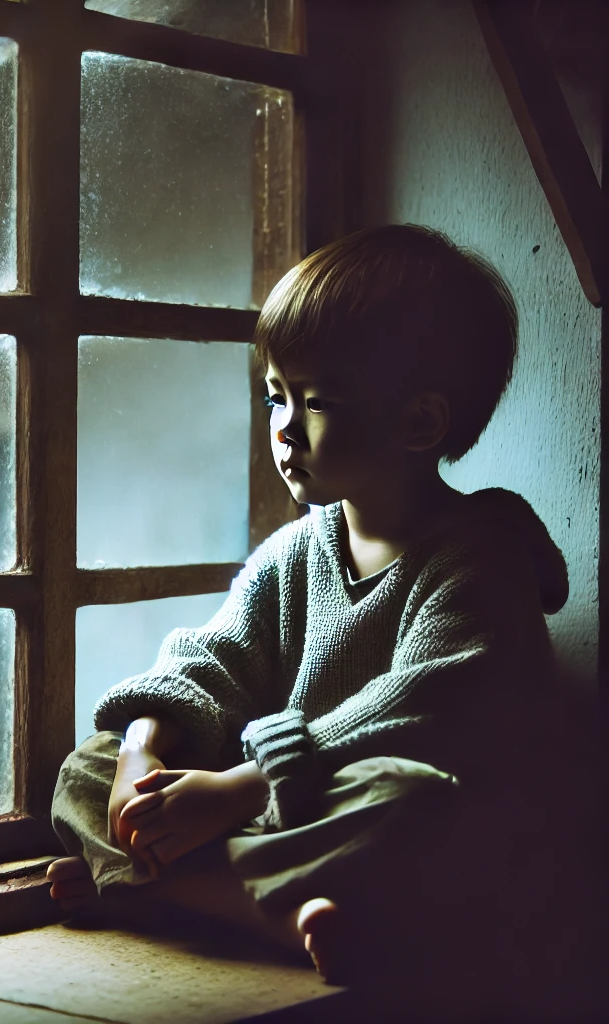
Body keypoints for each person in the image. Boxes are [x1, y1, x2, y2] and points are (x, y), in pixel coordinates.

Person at [46, 224, 570, 993]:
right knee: (86, 769)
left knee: (413, 801)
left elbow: (431, 706)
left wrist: (238, 790)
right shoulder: (298, 550)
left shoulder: (480, 558)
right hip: (274, 821)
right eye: (275, 395)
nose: (284, 429)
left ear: (421, 422)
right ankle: (256, 908)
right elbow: (210, 659)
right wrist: (141, 758)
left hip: (351, 808)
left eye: (315, 402)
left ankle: (160, 889)